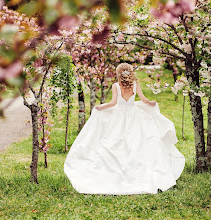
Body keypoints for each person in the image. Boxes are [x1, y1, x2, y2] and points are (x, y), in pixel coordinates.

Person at [64, 63, 185, 195]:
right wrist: (151, 103)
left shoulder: (116, 86)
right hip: (134, 115)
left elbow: (113, 103)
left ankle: (116, 169)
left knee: (115, 140)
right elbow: (144, 100)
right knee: (136, 142)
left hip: (118, 116)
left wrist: (101, 107)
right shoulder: (135, 84)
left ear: (118, 73)